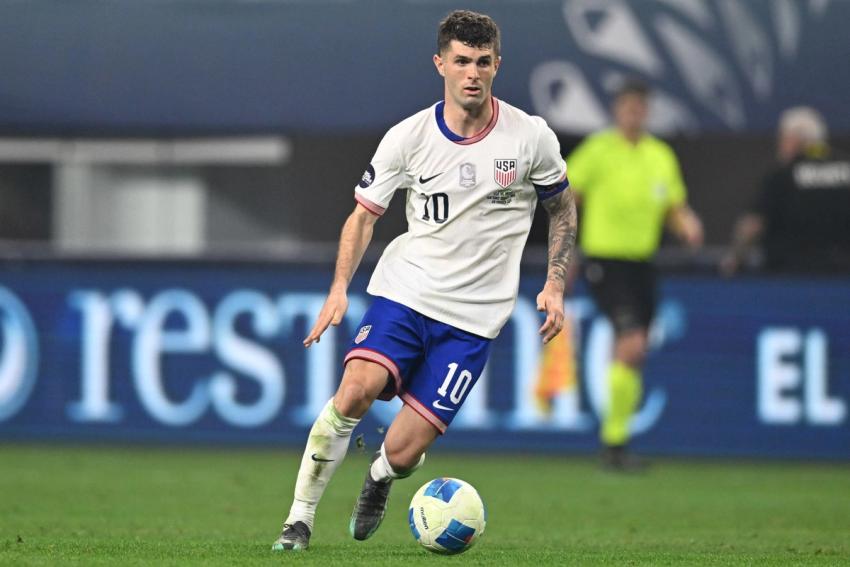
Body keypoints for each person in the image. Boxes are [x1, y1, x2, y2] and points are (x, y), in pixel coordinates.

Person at [272, 10, 577, 551]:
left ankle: (379, 477)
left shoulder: (530, 137)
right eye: (461, 61)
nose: (472, 73)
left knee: (404, 451)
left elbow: (562, 208)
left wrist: (555, 283)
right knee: (355, 390)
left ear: (497, 65)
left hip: (473, 321)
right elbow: (363, 217)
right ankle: (299, 520)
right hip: (406, 293)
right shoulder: (408, 137)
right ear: (440, 64)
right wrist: (339, 288)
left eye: (482, 62)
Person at [565, 79, 702, 471]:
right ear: (616, 110)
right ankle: (614, 442)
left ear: (647, 112)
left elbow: (673, 205)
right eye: (627, 106)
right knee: (632, 342)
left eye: (639, 107)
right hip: (605, 261)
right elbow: (567, 198)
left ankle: (616, 443)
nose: (633, 113)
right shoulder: (598, 150)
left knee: (633, 352)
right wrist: (566, 251)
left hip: (643, 264)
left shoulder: (659, 155)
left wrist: (687, 224)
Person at [721, 106, 850, 275]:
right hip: (842, 275)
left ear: (794, 140)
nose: (779, 145)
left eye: (782, 138)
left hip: (789, 276)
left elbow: (753, 224)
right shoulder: (846, 168)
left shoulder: (783, 174)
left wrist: (734, 258)